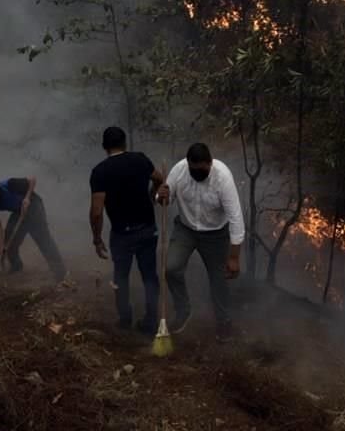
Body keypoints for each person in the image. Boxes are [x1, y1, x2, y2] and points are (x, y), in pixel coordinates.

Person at [156, 142, 244, 336]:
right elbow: (166, 199)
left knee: (218, 279)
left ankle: (224, 322)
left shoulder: (222, 177)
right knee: (170, 268)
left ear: (210, 163)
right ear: (188, 164)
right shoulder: (180, 170)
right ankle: (183, 311)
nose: (197, 174)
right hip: (185, 229)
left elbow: (235, 217)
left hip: (215, 234)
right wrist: (160, 195)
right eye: (193, 170)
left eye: (201, 170)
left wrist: (234, 257)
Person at [89, 127, 166, 334]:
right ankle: (151, 322)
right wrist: (152, 194)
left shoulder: (100, 171)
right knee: (150, 276)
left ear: (104, 147)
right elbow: (159, 179)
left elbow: (97, 212)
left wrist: (97, 239)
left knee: (120, 277)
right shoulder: (140, 159)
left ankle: (125, 320)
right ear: (125, 143)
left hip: (121, 234)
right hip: (147, 230)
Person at [0, 175, 66, 280]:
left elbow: (32, 179)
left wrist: (27, 198)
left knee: (43, 239)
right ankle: (16, 266)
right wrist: (1, 245)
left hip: (33, 205)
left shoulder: (10, 184)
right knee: (9, 244)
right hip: (18, 211)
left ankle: (60, 273)